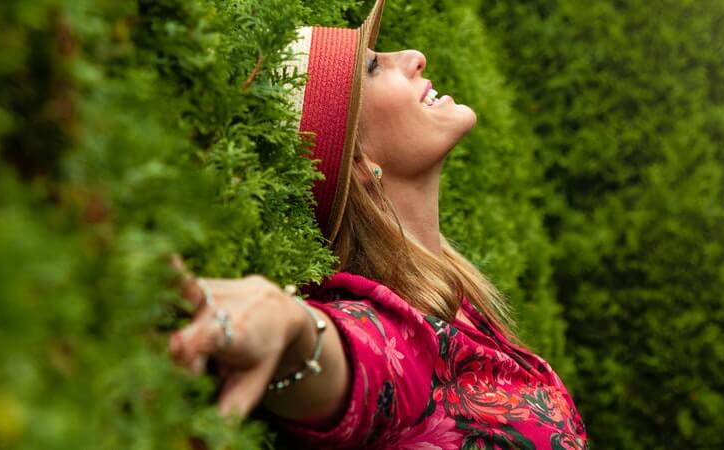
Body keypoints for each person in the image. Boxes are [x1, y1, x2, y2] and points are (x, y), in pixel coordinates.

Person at [167, 0, 588, 448]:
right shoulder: (386, 332)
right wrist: (288, 325)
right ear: (359, 164)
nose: (414, 57)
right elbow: (346, 356)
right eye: (372, 67)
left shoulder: (453, 300)